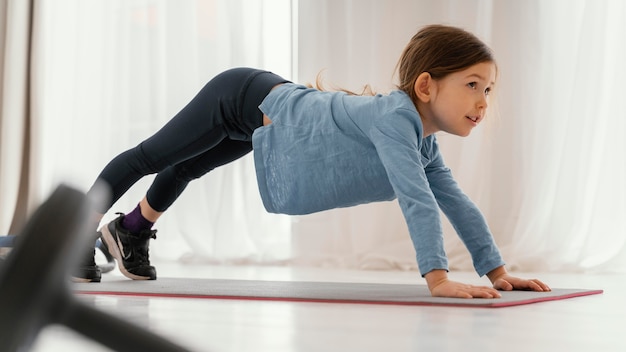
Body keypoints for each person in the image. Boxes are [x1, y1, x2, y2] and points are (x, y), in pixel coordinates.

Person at [77, 24, 550, 298]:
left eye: (488, 90)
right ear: (426, 86)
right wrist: (439, 279)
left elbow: (455, 201)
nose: (483, 101)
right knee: (155, 156)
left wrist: (498, 272)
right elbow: (417, 201)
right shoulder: (393, 120)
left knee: (188, 167)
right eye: (472, 85)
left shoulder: (422, 141)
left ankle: (130, 231)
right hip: (240, 95)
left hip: (269, 116)